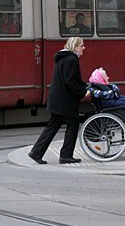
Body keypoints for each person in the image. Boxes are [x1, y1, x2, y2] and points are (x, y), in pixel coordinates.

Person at [29, 36, 88, 164]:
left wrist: (83, 85)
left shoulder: (63, 58)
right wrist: (83, 92)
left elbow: (69, 79)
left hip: (57, 99)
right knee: (73, 125)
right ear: (75, 46)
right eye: (81, 45)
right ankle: (66, 155)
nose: (84, 48)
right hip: (65, 101)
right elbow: (71, 81)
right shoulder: (72, 60)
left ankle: (36, 152)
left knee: (53, 125)